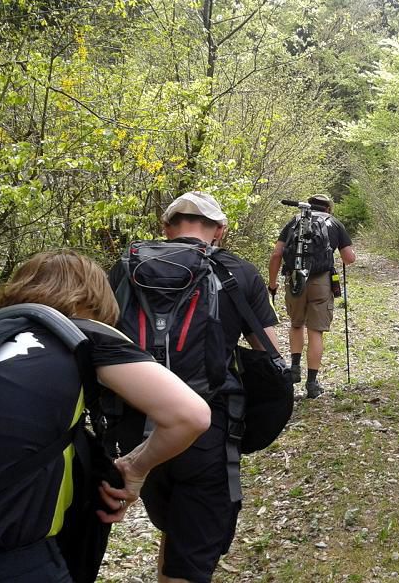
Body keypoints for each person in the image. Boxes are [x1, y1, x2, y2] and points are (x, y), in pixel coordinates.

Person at [0, 250, 211, 583]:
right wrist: (135, 468)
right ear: (94, 298)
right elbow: (190, 415)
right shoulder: (80, 332)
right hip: (14, 553)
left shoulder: (3, 331)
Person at [109, 191, 280, 583]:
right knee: (192, 553)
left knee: (172, 526)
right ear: (219, 230)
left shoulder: (125, 268)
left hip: (136, 427)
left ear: (166, 228)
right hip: (206, 429)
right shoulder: (239, 272)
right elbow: (267, 353)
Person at [268, 193, 356, 398]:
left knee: (296, 324)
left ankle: (295, 367)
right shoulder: (334, 223)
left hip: (295, 279)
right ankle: (312, 383)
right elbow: (349, 258)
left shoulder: (294, 222)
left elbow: (276, 255)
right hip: (321, 281)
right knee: (316, 331)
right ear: (328, 208)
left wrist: (272, 284)